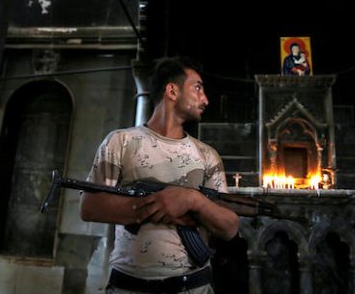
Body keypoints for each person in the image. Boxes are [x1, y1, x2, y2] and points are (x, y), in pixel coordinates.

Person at [80, 56, 240, 294]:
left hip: (193, 287)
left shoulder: (207, 156)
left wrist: (191, 200)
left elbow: (229, 227)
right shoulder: (121, 142)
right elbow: (90, 207)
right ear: (172, 91)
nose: (205, 99)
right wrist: (158, 205)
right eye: (197, 88)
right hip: (129, 286)